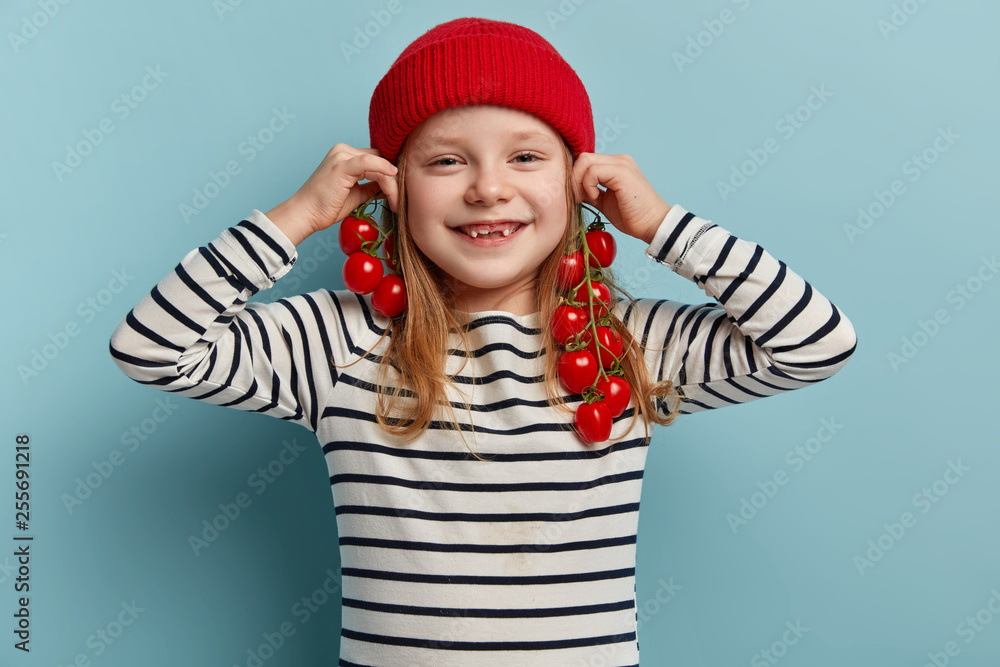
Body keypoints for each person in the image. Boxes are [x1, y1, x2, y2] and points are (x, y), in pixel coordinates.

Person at [108, 16, 857, 666]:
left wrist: (662, 227)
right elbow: (151, 346)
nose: (488, 188)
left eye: (527, 156)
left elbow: (817, 342)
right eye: (445, 160)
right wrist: (295, 216)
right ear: (388, 185)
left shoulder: (626, 344)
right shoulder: (334, 339)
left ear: (579, 181)